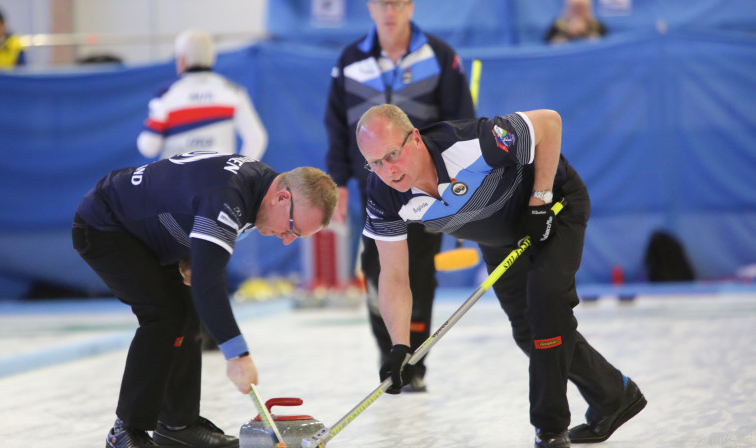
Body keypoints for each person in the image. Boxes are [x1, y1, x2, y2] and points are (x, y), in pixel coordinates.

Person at [355, 104, 646, 448]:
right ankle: (614, 396)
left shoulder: (472, 143)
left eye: (392, 154)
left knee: (546, 304)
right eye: (374, 163)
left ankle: (551, 429)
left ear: (415, 138)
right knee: (527, 332)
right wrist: (400, 345)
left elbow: (549, 124)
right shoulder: (383, 195)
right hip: (498, 237)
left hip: (552, 208)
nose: (387, 170)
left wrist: (540, 199)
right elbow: (393, 276)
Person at [72, 152, 337, 448]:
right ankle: (124, 431)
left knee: (184, 316)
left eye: (296, 236)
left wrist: (189, 256)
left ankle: (177, 425)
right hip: (106, 225)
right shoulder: (229, 196)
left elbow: (188, 204)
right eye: (292, 228)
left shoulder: (259, 190)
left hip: (145, 232)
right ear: (282, 198)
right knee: (163, 315)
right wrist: (237, 355)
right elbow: (208, 283)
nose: (287, 238)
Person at [324, 0, 474, 392]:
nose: (389, 10)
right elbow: (337, 127)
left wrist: (461, 185)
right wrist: (338, 181)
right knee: (376, 275)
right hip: (373, 193)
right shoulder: (349, 60)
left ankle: (416, 361)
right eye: (381, 2)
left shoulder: (440, 55)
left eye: (397, 2)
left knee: (419, 277)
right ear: (370, 8)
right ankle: (391, 351)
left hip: (428, 191)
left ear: (410, 6)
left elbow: (463, 121)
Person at [137, 29, 267, 161]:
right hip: (219, 177)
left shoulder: (166, 95)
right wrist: (241, 172)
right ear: (212, 58)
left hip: (176, 178)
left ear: (182, 59)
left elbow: (149, 148)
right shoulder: (232, 91)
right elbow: (256, 138)